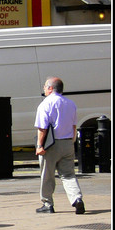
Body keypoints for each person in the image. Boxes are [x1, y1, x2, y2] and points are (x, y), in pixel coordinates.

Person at [34, 77, 85, 214]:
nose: (44, 89)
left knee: (47, 175)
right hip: (67, 143)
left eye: (45, 86)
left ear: (51, 88)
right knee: (68, 174)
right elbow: (74, 125)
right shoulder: (70, 103)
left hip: (51, 144)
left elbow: (42, 128)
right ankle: (77, 199)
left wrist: (39, 145)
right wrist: (72, 141)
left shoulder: (45, 104)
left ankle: (47, 203)